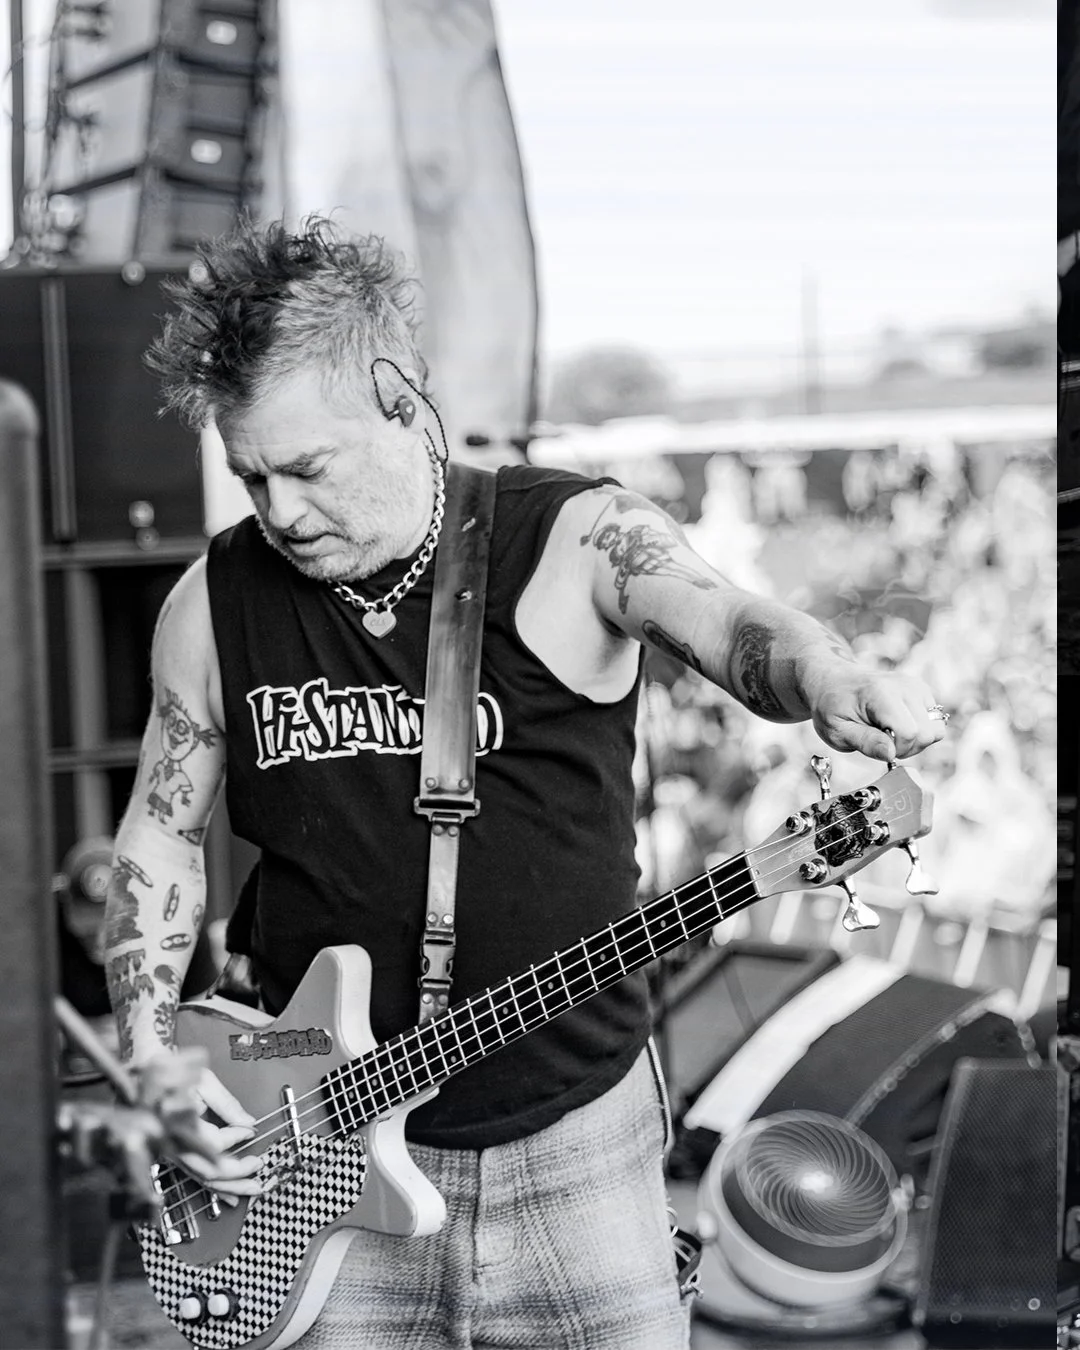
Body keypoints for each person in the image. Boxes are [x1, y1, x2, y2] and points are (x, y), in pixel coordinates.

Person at [103, 216, 947, 1350]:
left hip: (575, 1146)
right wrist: (153, 1055)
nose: (281, 512)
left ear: (401, 400)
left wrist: (824, 669)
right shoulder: (213, 603)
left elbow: (728, 619)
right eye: (251, 476)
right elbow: (158, 843)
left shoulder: (573, 540)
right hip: (307, 1161)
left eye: (307, 468)